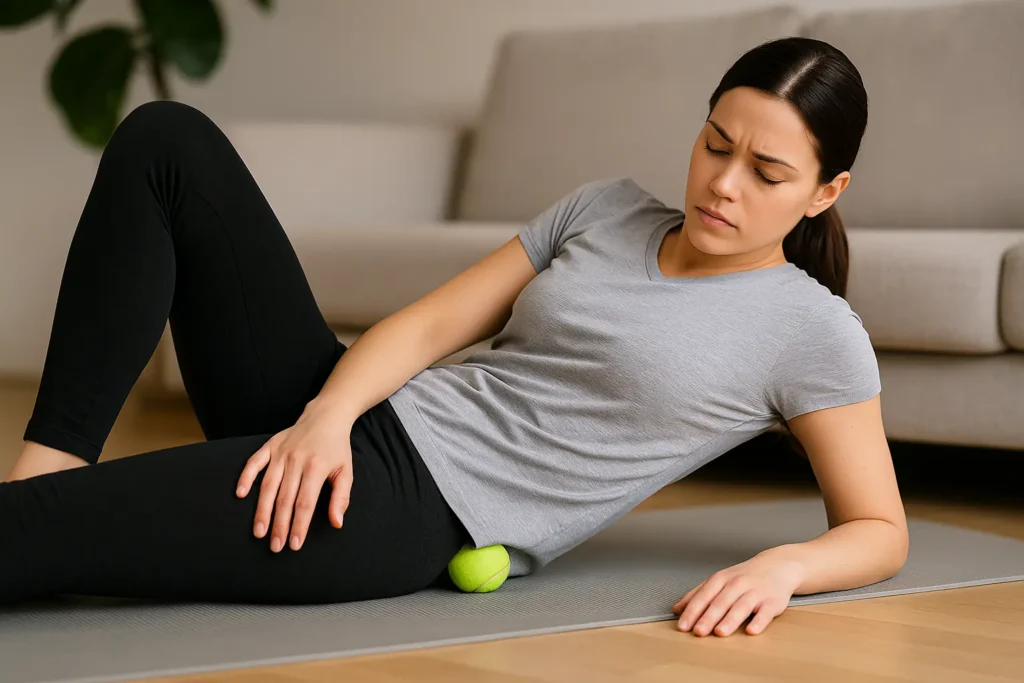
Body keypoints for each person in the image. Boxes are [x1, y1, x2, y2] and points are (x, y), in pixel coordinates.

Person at [1, 36, 907, 638]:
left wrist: (784, 567)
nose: (724, 184)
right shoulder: (608, 208)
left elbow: (878, 527)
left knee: (32, 539)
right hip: (353, 413)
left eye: (767, 172)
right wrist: (325, 416)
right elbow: (433, 323)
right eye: (716, 144)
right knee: (168, 141)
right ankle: (46, 466)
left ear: (825, 192)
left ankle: (38, 508)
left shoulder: (811, 330)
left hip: (403, 509)